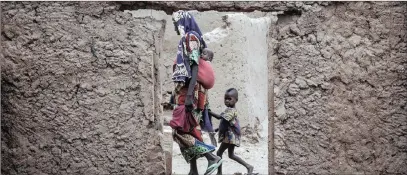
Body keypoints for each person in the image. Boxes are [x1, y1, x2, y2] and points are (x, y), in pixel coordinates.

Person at [170, 10, 223, 175]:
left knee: (179, 131)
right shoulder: (190, 38)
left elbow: (194, 66)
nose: (174, 27)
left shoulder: (190, 37)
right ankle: (193, 170)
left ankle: (211, 157)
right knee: (192, 130)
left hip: (190, 94)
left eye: (175, 23)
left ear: (183, 22)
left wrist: (188, 96)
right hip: (189, 93)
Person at [209, 88, 255, 175]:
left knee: (219, 152)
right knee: (231, 155)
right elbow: (227, 123)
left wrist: (209, 112)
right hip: (231, 136)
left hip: (230, 137)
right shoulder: (228, 110)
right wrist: (217, 129)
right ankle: (249, 166)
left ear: (236, 100)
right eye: (225, 99)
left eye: (229, 99)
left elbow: (219, 117)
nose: (227, 101)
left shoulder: (231, 111)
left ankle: (219, 172)